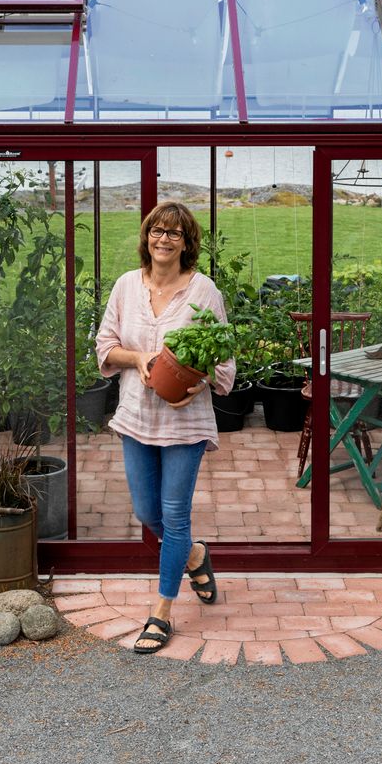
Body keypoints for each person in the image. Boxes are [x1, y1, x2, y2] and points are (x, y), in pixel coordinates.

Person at [96, 201, 235, 654]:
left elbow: (224, 356)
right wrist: (138, 359)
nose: (164, 239)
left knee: (174, 516)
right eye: (157, 231)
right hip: (136, 415)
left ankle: (162, 612)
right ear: (147, 237)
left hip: (185, 421)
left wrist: (204, 381)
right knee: (145, 512)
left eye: (174, 233)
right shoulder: (125, 287)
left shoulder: (204, 290)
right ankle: (194, 555)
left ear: (186, 242)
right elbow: (105, 346)